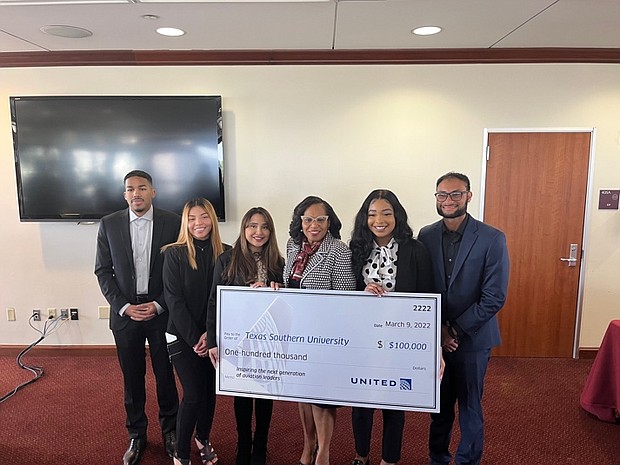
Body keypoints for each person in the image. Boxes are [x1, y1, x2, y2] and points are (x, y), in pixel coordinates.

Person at [417, 172, 509, 465]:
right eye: (442, 195)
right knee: (439, 407)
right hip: (436, 339)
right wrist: (439, 331)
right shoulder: (426, 235)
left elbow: (494, 296)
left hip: (474, 339)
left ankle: (468, 460)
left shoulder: (492, 238)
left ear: (469, 196)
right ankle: (438, 457)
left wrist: (453, 330)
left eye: (456, 194)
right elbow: (424, 286)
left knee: (470, 406)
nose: (448, 200)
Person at [95, 170, 180, 465]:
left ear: (153, 192)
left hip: (162, 313)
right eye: (130, 189)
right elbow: (103, 271)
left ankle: (171, 431)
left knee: (166, 376)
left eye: (142, 188)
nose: (136, 194)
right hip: (126, 314)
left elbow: (180, 271)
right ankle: (137, 434)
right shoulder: (109, 224)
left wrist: (158, 304)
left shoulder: (173, 222)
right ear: (125, 195)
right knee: (132, 378)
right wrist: (123, 307)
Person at [349, 189, 434, 465]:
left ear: (397, 215)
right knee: (361, 403)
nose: (379, 220)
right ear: (365, 218)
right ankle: (361, 455)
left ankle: (389, 460)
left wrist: (430, 345)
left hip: (400, 338)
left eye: (386, 213)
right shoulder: (356, 248)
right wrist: (363, 289)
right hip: (363, 338)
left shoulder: (415, 249)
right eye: (372, 214)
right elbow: (345, 291)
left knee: (393, 404)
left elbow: (427, 296)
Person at [206, 207, 285, 465]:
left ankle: (260, 445)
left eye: (264, 227)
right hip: (237, 341)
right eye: (252, 226)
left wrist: (279, 289)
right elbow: (213, 302)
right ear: (244, 229)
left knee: (264, 394)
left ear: (270, 232)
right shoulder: (226, 260)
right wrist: (213, 340)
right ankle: (243, 443)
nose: (258, 232)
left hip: (268, 341)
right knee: (242, 395)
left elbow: (287, 306)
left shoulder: (278, 263)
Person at [282, 196, 356, 465]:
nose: (314, 225)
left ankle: (323, 452)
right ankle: (308, 445)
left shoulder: (339, 250)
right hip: (297, 335)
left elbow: (346, 296)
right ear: (299, 222)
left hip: (326, 336)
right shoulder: (292, 246)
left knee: (321, 398)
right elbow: (288, 285)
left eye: (320, 219)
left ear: (329, 222)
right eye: (308, 219)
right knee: (303, 394)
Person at [162, 198, 227, 465]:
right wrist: (194, 339)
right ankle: (182, 452)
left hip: (213, 337)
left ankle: (203, 437)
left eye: (203, 217)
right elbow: (173, 301)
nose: (198, 223)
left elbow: (226, 298)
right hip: (181, 336)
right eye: (191, 218)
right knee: (193, 394)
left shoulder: (227, 253)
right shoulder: (173, 254)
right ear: (185, 223)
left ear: (212, 219)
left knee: (210, 393)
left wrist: (210, 337)